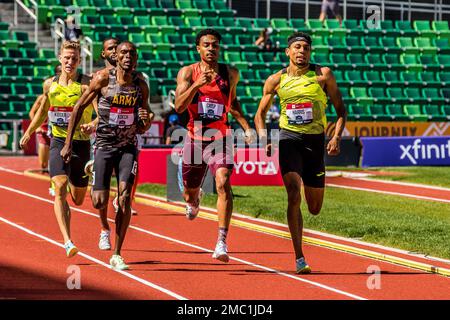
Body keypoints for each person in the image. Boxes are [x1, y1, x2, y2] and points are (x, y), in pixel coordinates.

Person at [254, 32, 347, 274]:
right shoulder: (275, 80)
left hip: (315, 143)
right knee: (293, 194)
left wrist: (336, 136)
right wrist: (264, 138)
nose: (301, 51)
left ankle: (308, 190)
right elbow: (259, 115)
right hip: (289, 139)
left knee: (314, 207)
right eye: (297, 47)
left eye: (306, 47)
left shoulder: (323, 76)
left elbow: (341, 111)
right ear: (288, 52)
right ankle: (299, 257)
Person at [61, 41, 153, 270]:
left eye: (132, 53)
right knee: (98, 201)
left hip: (128, 147)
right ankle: (97, 175)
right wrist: (67, 143)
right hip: (104, 144)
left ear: (136, 58)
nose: (128, 56)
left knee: (124, 200)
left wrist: (146, 119)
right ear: (117, 57)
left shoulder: (141, 85)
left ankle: (117, 253)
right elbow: (78, 108)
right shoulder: (103, 78)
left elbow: (144, 121)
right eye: (123, 52)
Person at [174, 28, 254, 263]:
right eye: (206, 45)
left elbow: (233, 102)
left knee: (223, 181)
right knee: (189, 194)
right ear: (198, 48)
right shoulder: (188, 72)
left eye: (215, 45)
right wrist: (197, 85)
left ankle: (221, 241)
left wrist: (246, 126)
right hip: (195, 138)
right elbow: (179, 106)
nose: (211, 49)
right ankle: (193, 197)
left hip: (221, 138)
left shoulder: (230, 74)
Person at [19, 40, 96, 258]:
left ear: (80, 60)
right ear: (59, 59)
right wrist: (29, 132)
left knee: (79, 198)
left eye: (74, 58)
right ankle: (67, 241)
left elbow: (102, 113)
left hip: (80, 144)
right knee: (59, 186)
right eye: (67, 58)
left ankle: (79, 181)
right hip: (58, 141)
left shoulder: (86, 85)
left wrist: (93, 123)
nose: (70, 62)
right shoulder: (48, 85)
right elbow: (44, 110)